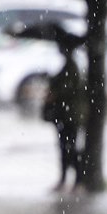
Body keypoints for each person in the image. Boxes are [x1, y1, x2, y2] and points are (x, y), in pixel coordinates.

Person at [42, 28, 87, 193]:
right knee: (66, 147)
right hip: (66, 115)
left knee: (69, 147)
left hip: (70, 116)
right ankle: (68, 180)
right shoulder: (69, 65)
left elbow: (66, 89)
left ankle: (76, 181)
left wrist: (54, 91)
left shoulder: (71, 66)